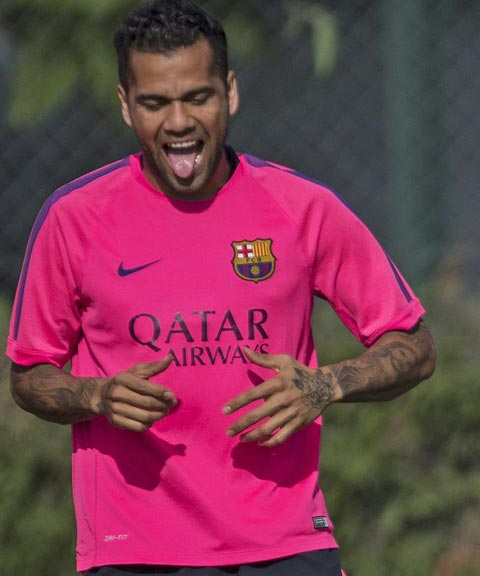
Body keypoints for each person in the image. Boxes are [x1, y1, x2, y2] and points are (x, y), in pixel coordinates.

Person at [6, 0, 435, 574]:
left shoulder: (302, 207)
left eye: (197, 97)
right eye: (155, 103)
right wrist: (97, 396)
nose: (179, 122)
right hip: (136, 550)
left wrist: (325, 384)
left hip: (286, 545)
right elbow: (29, 374)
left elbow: (415, 346)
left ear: (229, 92)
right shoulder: (74, 218)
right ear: (126, 105)